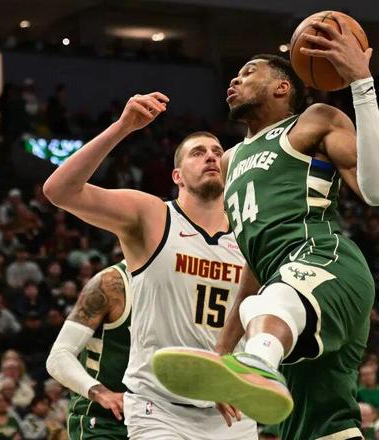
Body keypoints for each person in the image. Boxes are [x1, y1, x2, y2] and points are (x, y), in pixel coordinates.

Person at [154, 15, 379, 440]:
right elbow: (254, 263)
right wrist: (223, 352)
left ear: (282, 87)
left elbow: (378, 191)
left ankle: (258, 362)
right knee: (319, 428)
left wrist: (362, 83)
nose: (235, 80)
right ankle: (256, 360)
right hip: (286, 303)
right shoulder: (229, 161)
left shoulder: (314, 120)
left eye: (248, 72)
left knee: (267, 302)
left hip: (327, 263)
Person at [43, 93, 256, 439]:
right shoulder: (153, 216)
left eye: (217, 152)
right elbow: (59, 190)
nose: (211, 157)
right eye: (198, 153)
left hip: (230, 407)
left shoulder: (249, 233)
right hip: (159, 410)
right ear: (177, 176)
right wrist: (122, 127)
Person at [46, 262, 132, 439]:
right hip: (102, 422)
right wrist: (100, 392)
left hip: (156, 420)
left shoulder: (183, 286)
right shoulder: (111, 283)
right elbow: (58, 356)